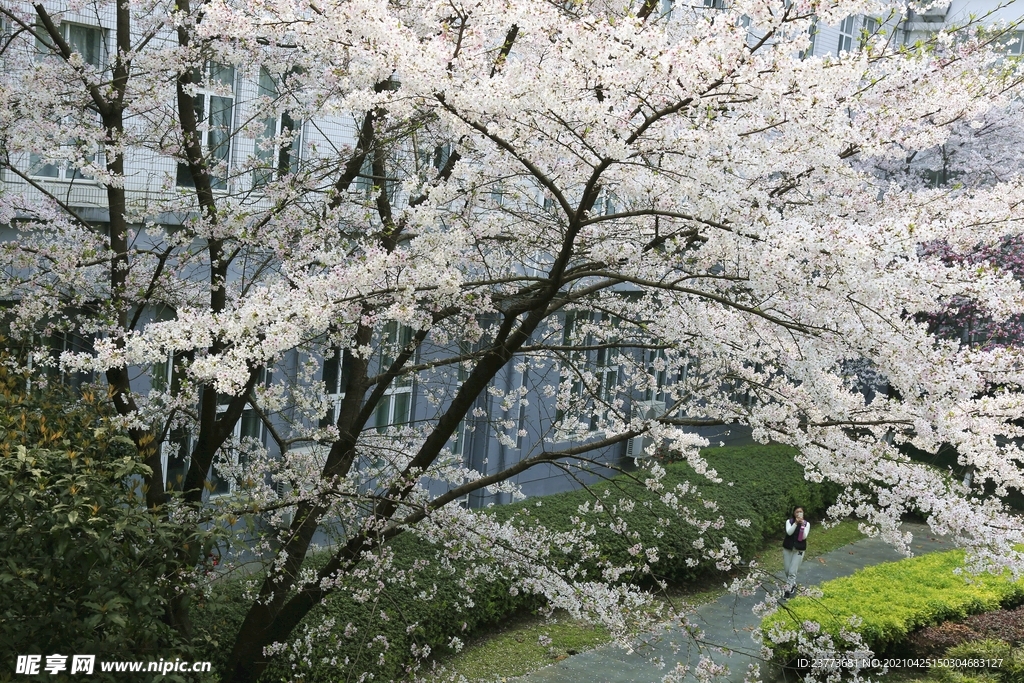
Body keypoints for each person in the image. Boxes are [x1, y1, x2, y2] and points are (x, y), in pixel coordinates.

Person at [781, 506, 809, 599]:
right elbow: (789, 532)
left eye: (800, 512)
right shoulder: (789, 522)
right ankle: (792, 583)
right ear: (794, 513)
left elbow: (803, 537)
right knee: (787, 570)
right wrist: (796, 523)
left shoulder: (806, 524)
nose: (798, 514)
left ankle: (788, 591)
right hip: (788, 549)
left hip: (799, 550)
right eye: (797, 512)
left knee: (792, 571)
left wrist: (801, 525)